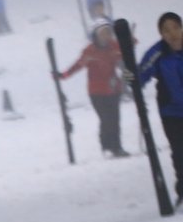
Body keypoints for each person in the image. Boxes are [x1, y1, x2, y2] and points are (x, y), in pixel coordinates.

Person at [57, 22, 129, 157]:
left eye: (108, 32)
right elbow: (77, 66)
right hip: (97, 92)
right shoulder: (89, 51)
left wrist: (131, 81)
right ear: (95, 35)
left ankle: (116, 147)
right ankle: (107, 147)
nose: (106, 36)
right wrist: (63, 75)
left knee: (115, 119)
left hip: (114, 89)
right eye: (103, 33)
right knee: (106, 119)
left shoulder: (114, 46)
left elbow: (124, 64)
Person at [133, 12, 183, 207]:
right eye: (166, 30)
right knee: (180, 153)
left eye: (175, 28)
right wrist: (129, 66)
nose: (172, 34)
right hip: (172, 113)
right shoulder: (157, 52)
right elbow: (139, 76)